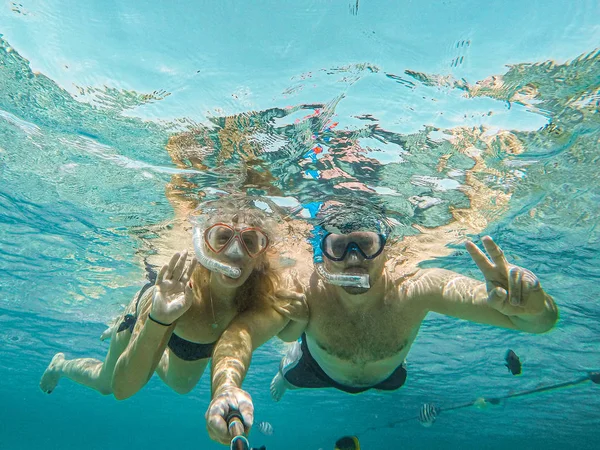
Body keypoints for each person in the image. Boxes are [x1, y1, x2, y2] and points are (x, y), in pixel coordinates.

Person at [204, 208, 558, 445]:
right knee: (290, 368)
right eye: (339, 247)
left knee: (393, 380)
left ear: (386, 250)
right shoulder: (304, 288)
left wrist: (535, 306)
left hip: (388, 374)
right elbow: (241, 333)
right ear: (321, 252)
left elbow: (538, 324)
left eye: (366, 245)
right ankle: (286, 367)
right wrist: (226, 385)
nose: (354, 260)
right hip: (312, 369)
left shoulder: (417, 287)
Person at [40, 198, 287, 399]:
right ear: (205, 246)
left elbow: (292, 330)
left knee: (182, 387)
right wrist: (158, 320)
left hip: (190, 340)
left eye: (249, 241)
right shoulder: (180, 289)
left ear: (260, 256)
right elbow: (123, 390)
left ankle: (153, 347)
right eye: (222, 238)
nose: (235, 252)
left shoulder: (262, 297)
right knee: (107, 384)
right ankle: (60, 365)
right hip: (152, 313)